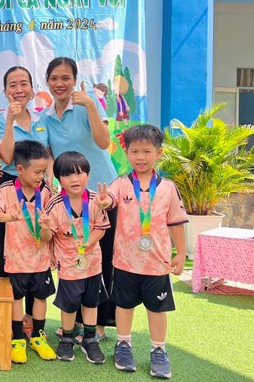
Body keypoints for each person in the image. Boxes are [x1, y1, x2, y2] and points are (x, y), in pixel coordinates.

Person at [95, 125, 187, 379]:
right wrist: (103, 201)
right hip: (125, 262)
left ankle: (159, 350)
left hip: (157, 264)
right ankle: (123, 344)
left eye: (147, 151)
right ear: (126, 153)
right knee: (124, 305)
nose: (140, 157)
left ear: (159, 153)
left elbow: (176, 222)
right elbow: (109, 199)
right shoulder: (121, 184)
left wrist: (181, 253)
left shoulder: (168, 187)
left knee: (157, 309)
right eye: (134, 151)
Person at [42, 57, 118, 340]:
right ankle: (72, 321)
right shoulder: (46, 117)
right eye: (54, 78)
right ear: (47, 82)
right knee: (71, 256)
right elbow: (50, 155)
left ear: (75, 80)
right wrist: (52, 183)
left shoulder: (89, 104)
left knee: (102, 257)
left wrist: (90, 106)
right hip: (69, 198)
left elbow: (104, 142)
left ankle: (99, 324)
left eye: (66, 78)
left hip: (102, 193)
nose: (59, 84)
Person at [0, 66, 50, 337]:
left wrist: (50, 184)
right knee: (10, 250)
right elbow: (6, 157)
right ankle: (9, 319)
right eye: (12, 85)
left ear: (32, 87)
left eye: (23, 83)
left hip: (39, 189)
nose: (18, 90)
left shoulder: (42, 119)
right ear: (5, 91)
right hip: (11, 187)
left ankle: (31, 319)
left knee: (37, 247)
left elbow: (48, 155)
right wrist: (9, 121)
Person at [43, 151, 110, 365]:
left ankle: (90, 339)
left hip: (93, 263)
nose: (75, 179)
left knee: (91, 302)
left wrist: (89, 242)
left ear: (88, 175)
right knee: (69, 303)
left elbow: (101, 228)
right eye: (67, 175)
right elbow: (47, 237)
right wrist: (44, 227)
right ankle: (67, 338)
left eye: (80, 173)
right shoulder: (54, 204)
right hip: (68, 265)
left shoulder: (96, 200)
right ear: (58, 179)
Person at [0, 140, 55, 364]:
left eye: (44, 171)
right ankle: (17, 339)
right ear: (20, 169)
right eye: (37, 172)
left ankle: (38, 336)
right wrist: (9, 217)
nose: (41, 176)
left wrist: (46, 228)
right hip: (16, 259)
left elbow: (48, 234)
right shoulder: (6, 189)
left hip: (41, 259)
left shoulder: (46, 191)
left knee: (40, 297)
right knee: (17, 298)